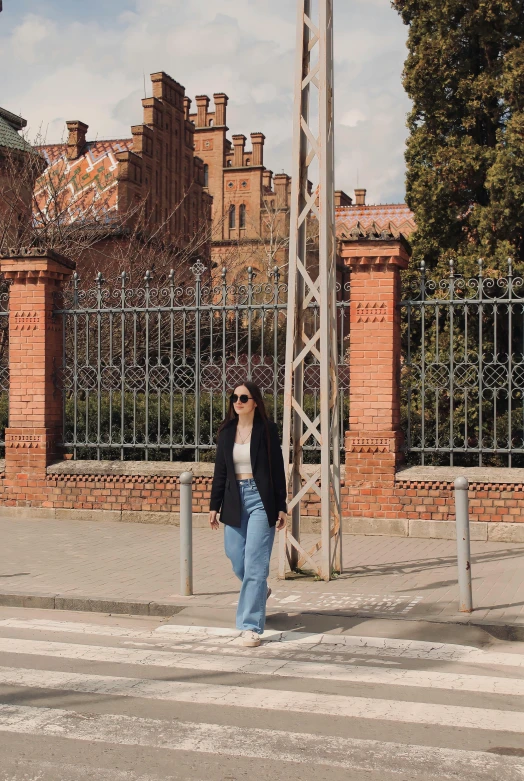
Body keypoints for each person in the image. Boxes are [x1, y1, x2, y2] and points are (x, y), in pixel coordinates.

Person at [209, 381, 287, 647]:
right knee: (236, 558)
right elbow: (220, 471)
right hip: (233, 500)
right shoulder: (226, 431)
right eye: (234, 397)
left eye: (244, 397)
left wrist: (281, 505)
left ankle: (250, 625)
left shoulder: (267, 431)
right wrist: (213, 505)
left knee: (255, 563)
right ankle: (260, 591)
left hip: (260, 500)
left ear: (255, 402)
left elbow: (277, 469)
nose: (238, 401)